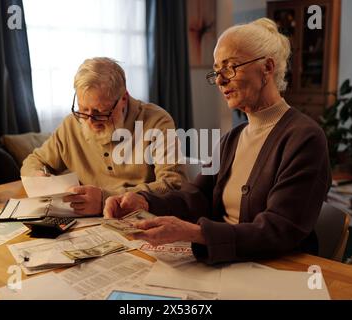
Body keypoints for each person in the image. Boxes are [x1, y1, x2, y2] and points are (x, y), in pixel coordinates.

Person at [104, 18, 331, 264]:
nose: (220, 81)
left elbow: (279, 229)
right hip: (229, 262)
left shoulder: (305, 137)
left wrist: (197, 233)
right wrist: (144, 200)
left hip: (278, 267)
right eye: (217, 71)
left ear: (267, 67)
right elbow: (196, 196)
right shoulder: (232, 138)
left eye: (230, 67)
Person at [21, 57, 186, 216]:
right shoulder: (72, 124)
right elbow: (32, 163)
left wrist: (105, 198)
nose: (90, 121)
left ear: (123, 98)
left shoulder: (157, 121)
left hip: (141, 218)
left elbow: (173, 184)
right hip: (86, 224)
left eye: (100, 112)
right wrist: (40, 177)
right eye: (83, 109)